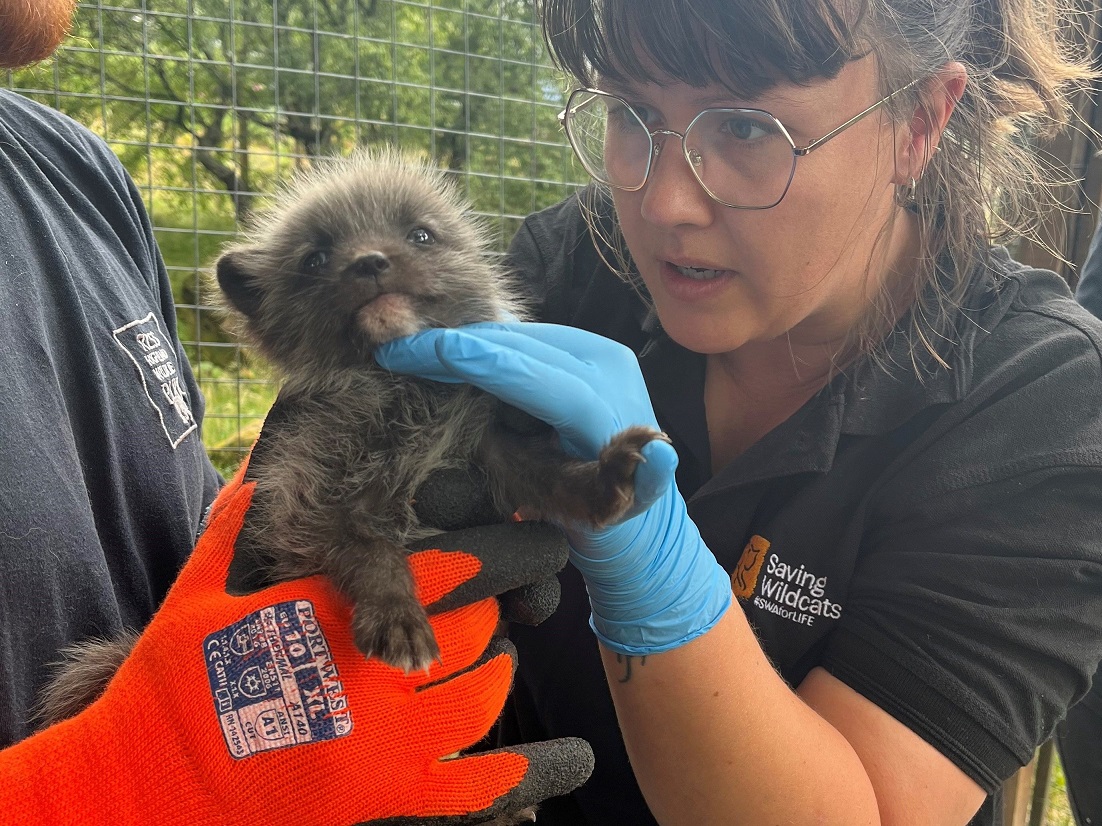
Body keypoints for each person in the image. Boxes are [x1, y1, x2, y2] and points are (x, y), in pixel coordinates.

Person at [376, 0, 1102, 823]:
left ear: (919, 123)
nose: (665, 204)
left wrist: (656, 575)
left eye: (749, 129)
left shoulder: (1041, 406)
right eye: (633, 114)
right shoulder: (576, 270)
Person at [0, 0, 594, 821]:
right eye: (321, 261)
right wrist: (128, 781)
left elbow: (189, 549)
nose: (372, 260)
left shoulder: (72, 174)